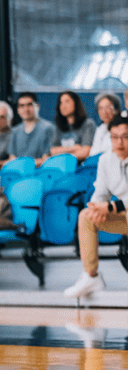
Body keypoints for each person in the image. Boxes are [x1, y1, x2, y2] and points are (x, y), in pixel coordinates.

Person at [64, 114, 128, 299]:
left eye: (125, 136)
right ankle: (91, 276)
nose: (120, 142)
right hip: (123, 215)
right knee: (86, 215)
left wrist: (110, 208)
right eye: (115, 137)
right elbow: (100, 192)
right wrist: (97, 207)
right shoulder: (105, 160)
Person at [6, 92, 55, 167]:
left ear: (37, 106)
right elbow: (12, 159)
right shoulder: (14, 131)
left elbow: (47, 159)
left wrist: (24, 165)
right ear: (18, 110)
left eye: (29, 105)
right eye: (22, 106)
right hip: (18, 173)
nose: (26, 109)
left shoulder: (48, 128)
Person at [50, 91, 96, 162]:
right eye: (61, 103)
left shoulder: (88, 124)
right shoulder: (58, 127)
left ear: (76, 103)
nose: (63, 106)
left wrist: (62, 154)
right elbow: (53, 151)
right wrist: (75, 148)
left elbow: (86, 151)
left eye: (67, 101)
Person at [89, 93, 122, 157]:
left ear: (116, 109)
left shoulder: (122, 128)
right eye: (100, 108)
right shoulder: (101, 128)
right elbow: (93, 153)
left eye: (108, 107)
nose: (104, 112)